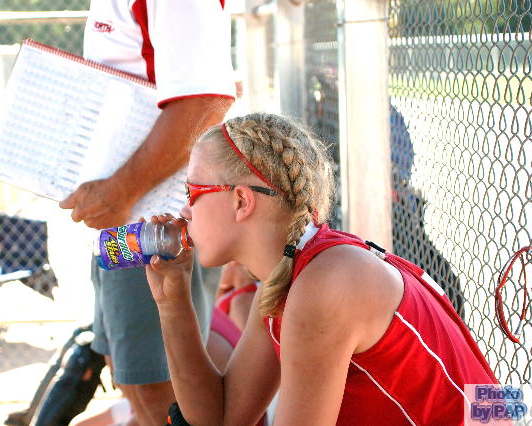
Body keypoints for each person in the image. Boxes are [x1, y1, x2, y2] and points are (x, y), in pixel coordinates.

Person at [144, 112, 498, 425]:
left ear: (241, 201)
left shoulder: (325, 283)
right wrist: (172, 303)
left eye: (191, 193)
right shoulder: (289, 275)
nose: (184, 211)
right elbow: (222, 418)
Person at [60, 2, 235, 425]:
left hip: (156, 224)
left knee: (162, 392)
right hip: (120, 217)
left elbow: (206, 102)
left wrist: (119, 191)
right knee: (131, 378)